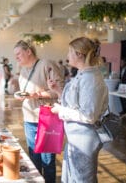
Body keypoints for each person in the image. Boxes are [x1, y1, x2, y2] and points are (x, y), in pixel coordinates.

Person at [47, 37, 108, 182]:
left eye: (70, 52)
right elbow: (75, 103)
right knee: (72, 176)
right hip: (76, 137)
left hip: (85, 139)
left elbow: (89, 115)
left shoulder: (91, 79)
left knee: (82, 178)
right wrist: (58, 92)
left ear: (79, 54)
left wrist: (61, 111)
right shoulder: (82, 75)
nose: (67, 56)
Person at [13, 40, 63, 183]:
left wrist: (37, 95)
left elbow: (59, 91)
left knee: (47, 161)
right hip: (29, 119)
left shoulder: (47, 64)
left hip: (46, 119)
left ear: (29, 51)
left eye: (18, 54)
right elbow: (25, 92)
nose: (16, 57)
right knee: (34, 159)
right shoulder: (22, 70)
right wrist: (20, 95)